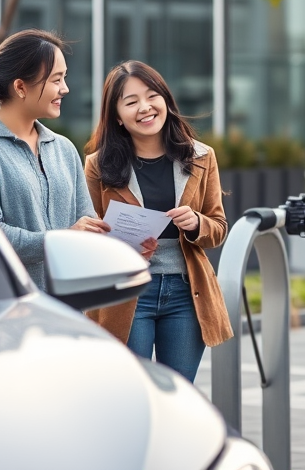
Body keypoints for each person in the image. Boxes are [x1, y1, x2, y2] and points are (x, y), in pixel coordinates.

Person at [83, 60, 232, 382]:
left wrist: (195, 223)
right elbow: (88, 236)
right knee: (135, 391)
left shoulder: (201, 157)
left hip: (185, 292)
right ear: (117, 116)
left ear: (166, 100)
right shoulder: (97, 166)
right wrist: (123, 251)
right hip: (128, 291)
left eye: (152, 96)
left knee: (178, 393)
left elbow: (218, 227)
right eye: (131, 101)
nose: (145, 107)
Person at [0, 29, 109, 291]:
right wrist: (64, 239)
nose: (65, 89)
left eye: (64, 78)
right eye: (56, 80)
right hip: (11, 309)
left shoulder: (64, 149)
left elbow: (85, 225)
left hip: (69, 309)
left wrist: (126, 246)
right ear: (21, 87)